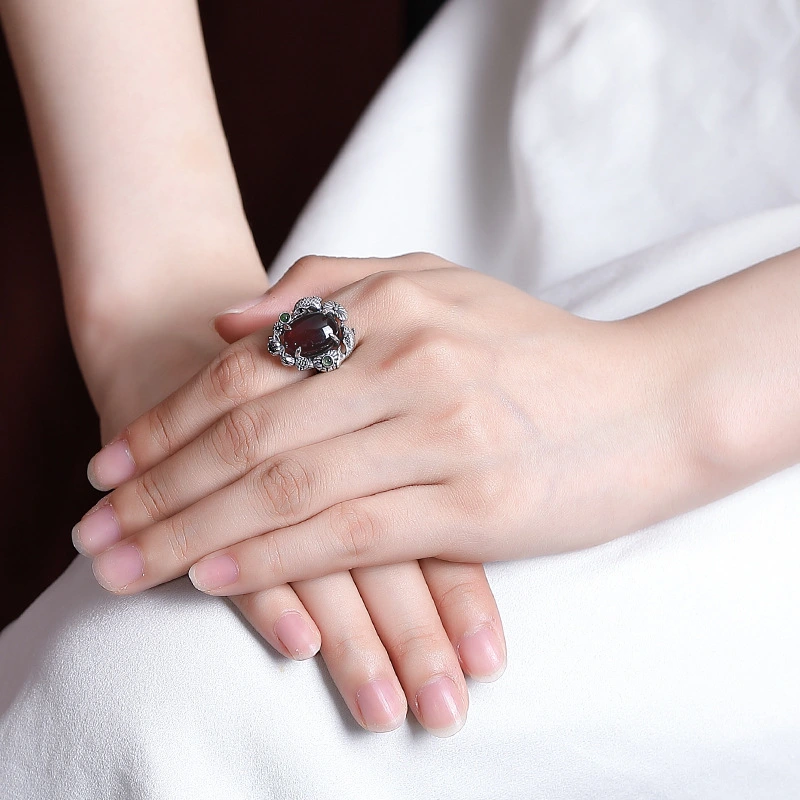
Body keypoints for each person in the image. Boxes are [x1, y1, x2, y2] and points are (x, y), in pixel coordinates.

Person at [1, 0, 799, 797]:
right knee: (132, 675)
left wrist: (666, 397)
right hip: (552, 98)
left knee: (180, 701)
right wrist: (160, 281)